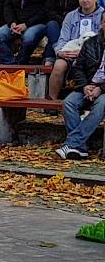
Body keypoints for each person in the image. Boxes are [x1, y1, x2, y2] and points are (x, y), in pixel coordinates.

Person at [56, 24, 105, 160]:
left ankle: (71, 143)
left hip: (103, 90)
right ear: (102, 24)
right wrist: (84, 86)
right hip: (87, 85)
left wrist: (100, 89)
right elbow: (78, 68)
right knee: (69, 103)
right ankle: (80, 148)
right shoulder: (90, 43)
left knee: (101, 104)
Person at [48, 0, 103, 100]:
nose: (85, 0)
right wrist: (60, 52)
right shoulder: (70, 16)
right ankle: (52, 101)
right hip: (70, 52)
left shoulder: (103, 15)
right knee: (58, 65)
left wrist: (85, 53)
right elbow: (63, 39)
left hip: (94, 56)